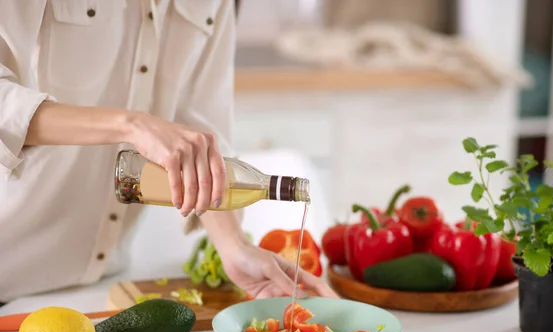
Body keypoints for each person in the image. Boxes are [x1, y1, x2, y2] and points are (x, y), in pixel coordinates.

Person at [0, 0, 337, 303]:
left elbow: (203, 135)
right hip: (10, 277)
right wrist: (130, 125)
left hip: (101, 288)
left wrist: (235, 246)